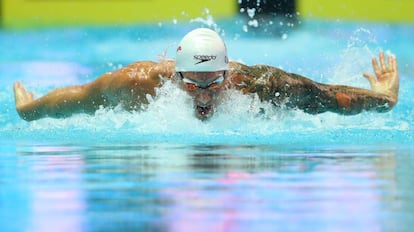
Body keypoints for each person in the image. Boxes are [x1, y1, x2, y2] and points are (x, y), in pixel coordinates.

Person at [14, 28, 399, 122]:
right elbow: (81, 96)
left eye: (214, 82)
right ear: (175, 74)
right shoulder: (139, 82)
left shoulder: (260, 85)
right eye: (193, 83)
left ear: (228, 72)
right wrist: (29, 109)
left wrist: (385, 98)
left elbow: (329, 96)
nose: (204, 94)